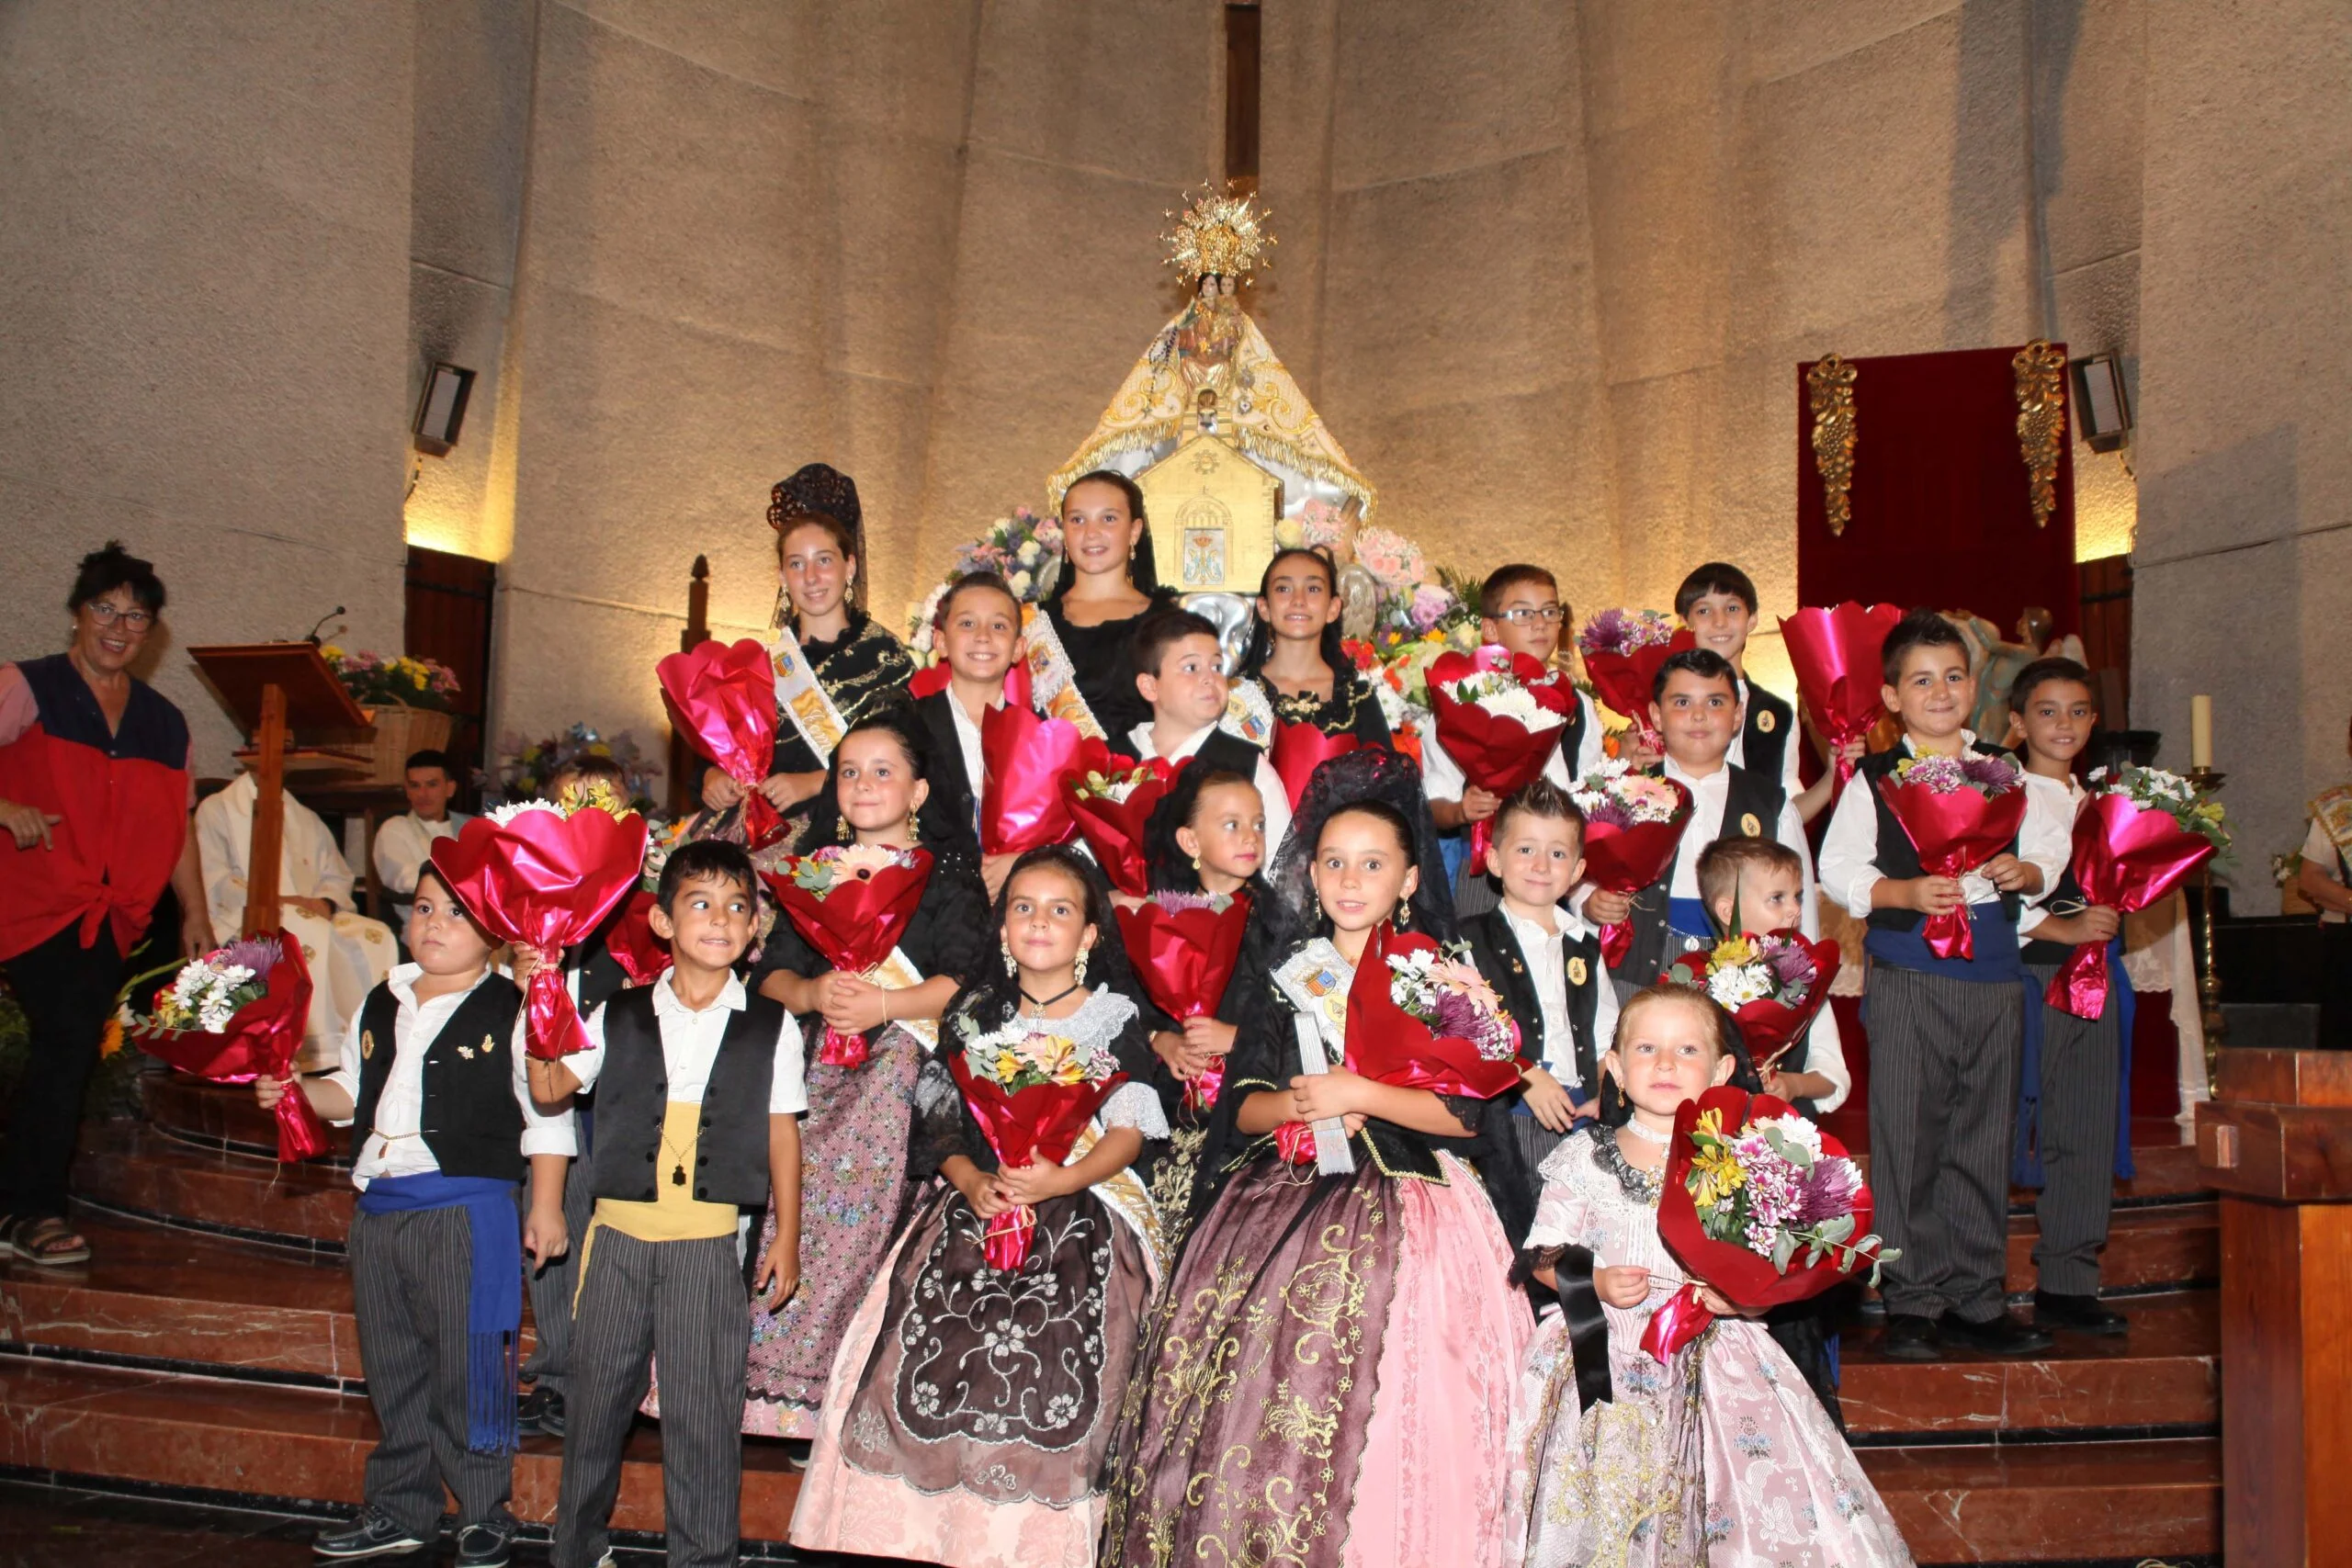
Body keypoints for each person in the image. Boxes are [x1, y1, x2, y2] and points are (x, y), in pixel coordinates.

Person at [1103, 748, 1532, 1567]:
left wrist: (1360, 1094)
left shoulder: (1438, 978)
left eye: (1372, 863)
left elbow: (1463, 1114)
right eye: (1332, 860)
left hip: (1417, 1200)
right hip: (1284, 1199)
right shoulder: (1284, 975)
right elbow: (1245, 1102)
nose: (1348, 878)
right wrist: (1301, 1102)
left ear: (1409, 879)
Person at [789, 846, 1167, 1568]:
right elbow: (940, 1111)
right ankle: (928, 1535)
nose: (1039, 923)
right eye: (1022, 907)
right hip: (973, 1205)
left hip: (1080, 1210)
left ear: (1090, 935)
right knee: (931, 1352)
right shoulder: (971, 1012)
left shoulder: (1114, 1019)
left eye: (1061, 910)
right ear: (1001, 928)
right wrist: (967, 1179)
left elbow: (1129, 1125)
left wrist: (1064, 1178)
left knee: (1049, 1366)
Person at [1503, 985, 1913, 1566]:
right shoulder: (1583, 1156)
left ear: (1721, 1070)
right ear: (1615, 1067)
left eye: (1686, 1050)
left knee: (1723, 1499)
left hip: (1715, 1352)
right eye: (1645, 1048)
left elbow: (1773, 1261)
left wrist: (1743, 1300)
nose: (1665, 1063)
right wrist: (1589, 1281)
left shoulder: (1745, 1159)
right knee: (1607, 1504)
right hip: (1604, 1354)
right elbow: (1540, 1253)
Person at [255, 863, 572, 1568]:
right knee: (391, 1366)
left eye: (456, 913)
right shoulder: (381, 998)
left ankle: (484, 1509)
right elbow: (350, 1087)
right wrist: (297, 1096)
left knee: (469, 1370)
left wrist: (546, 1204)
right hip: (380, 1212)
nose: (434, 923)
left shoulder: (514, 1006)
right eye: (424, 907)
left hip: (462, 1210)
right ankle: (400, 1506)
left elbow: (547, 1114)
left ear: (495, 931)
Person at [529, 840, 805, 1568]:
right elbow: (551, 1089)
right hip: (616, 1240)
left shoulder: (772, 1026)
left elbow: (783, 1133)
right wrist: (540, 1007)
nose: (719, 919)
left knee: (702, 1416)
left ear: (755, 930)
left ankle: (703, 1557)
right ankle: (578, 1549)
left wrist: (787, 1234)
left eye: (736, 906)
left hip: (708, 1247)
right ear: (660, 921)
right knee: (594, 1408)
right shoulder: (614, 1013)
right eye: (700, 903)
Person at [1818, 608, 2070, 1360]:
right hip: (1910, 975)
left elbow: (2050, 853)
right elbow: (1841, 868)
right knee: (1909, 1136)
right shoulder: (1874, 776)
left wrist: (2024, 871)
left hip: (1993, 974)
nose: (1940, 691)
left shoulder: (2008, 770)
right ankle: (1913, 1299)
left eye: (1954, 677)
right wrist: (1903, 893)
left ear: (1974, 687)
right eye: (1921, 680)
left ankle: (1977, 1295)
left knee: (1983, 1134)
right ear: (1892, 696)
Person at [735, 713, 988, 1440]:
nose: (864, 784)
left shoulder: (947, 877)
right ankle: (768, 1388)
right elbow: (774, 974)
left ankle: (837, 1400)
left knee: (892, 1077)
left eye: (883, 770)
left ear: (918, 791)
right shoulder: (812, 870)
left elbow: (965, 981)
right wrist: (814, 994)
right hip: (815, 1065)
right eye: (849, 771)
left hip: (906, 1064)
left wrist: (884, 1002)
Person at [0, 542, 209, 1267]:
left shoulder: (165, 721)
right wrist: (5, 804)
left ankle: (22, 1203)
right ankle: (33, 1210)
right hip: (30, 901)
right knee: (63, 1039)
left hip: (112, 912)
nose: (119, 627)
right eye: (105, 610)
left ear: (151, 633)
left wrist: (196, 913)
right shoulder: (25, 688)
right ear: (76, 615)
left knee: (66, 1050)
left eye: (136, 617)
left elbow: (177, 824)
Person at [513, 752, 650, 1440]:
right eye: (571, 804)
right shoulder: (525, 892)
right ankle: (560, 1372)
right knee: (556, 1236)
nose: (587, 816)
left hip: (628, 1098)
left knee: (616, 1251)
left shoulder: (646, 897)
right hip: (553, 1093)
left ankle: (613, 1381)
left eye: (605, 803)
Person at [2006, 658, 2130, 1337]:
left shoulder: (2101, 802)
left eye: (2079, 711)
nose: (2064, 724)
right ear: (2018, 722)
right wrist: (2060, 925)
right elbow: (1984, 884)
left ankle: (2069, 1277)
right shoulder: (2003, 794)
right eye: (2048, 712)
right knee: (2009, 1124)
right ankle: (1974, 1282)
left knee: (2084, 1125)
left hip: (2096, 975)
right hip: (2033, 974)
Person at [701, 464, 914, 825]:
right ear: (782, 577)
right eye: (797, 564)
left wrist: (815, 783)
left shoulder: (884, 655)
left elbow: (906, 757)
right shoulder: (764, 661)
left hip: (847, 829)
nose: (811, 577)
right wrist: (712, 778)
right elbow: (725, 750)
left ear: (850, 567)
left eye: (824, 561)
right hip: (760, 827)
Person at [1130, 764, 1272, 1228]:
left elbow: (1305, 1022)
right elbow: (1125, 1008)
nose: (1249, 836)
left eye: (1258, 824)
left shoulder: (1282, 924)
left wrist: (1238, 1037)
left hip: (1250, 1105)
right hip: (1170, 1100)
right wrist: (1160, 1041)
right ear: (1191, 842)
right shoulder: (1160, 917)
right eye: (1231, 824)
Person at [1428, 564, 1609, 920]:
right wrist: (1462, 810)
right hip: (1486, 868)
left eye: (1550, 611)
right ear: (1491, 629)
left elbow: (1592, 796)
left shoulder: (1579, 705)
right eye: (1523, 613)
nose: (1539, 623)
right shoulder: (1461, 699)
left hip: (1559, 871)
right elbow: (1432, 801)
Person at [1461, 780, 1617, 1180]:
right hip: (1505, 1122)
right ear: (1495, 861)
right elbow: (1459, 1033)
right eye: (1525, 849)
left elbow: (1604, 1041)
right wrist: (1524, 1075)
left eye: (1558, 853)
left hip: (1581, 1121)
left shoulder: (1585, 947)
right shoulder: (1467, 942)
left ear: (1578, 871)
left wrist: (1604, 1093)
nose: (1541, 865)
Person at [196, 768, 399, 1055]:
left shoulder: (305, 818)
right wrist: (280, 901)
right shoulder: (217, 809)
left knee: (376, 935)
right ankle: (315, 1051)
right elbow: (215, 879)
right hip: (247, 914)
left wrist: (325, 903)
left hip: (308, 912)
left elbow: (336, 875)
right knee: (304, 929)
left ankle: (365, 1042)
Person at [1677, 559, 1854, 824]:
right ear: (1685, 622)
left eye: (1732, 608)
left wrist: (1831, 777)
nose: (1719, 621)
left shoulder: (1777, 715)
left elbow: (1786, 815)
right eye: (1703, 611)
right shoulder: (1666, 706)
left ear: (1753, 619)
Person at [1126, 606, 1292, 853]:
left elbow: (1282, 863)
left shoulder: (1248, 765)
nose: (1209, 678)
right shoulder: (1115, 758)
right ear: (1150, 686)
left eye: (1216, 667)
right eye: (1191, 668)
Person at [1037, 469, 1177, 745]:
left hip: (1143, 781)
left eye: (1108, 519)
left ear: (1134, 531)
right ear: (1064, 530)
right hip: (1047, 784)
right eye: (1077, 520)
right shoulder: (1034, 623)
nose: (1091, 533)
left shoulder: (1167, 625)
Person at [911, 570, 1023, 897]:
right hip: (926, 903)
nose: (984, 636)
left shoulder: (1044, 736)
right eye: (967, 624)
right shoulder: (904, 726)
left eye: (999, 626)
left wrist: (1022, 861)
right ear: (941, 642)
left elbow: (1069, 842)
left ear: (1018, 648)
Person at [1240, 545, 1393, 744]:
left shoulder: (1357, 699)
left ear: (1333, 608)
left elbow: (1386, 772)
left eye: (1313, 589)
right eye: (1283, 589)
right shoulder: (1239, 696)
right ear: (1264, 607)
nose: (1298, 600)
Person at [373, 749, 472, 945]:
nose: (423, 794)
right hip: (422, 925)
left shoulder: (470, 827)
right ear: (407, 790)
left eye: (432, 785)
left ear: (450, 789)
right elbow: (406, 879)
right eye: (415, 786)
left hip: (474, 920)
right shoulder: (395, 829)